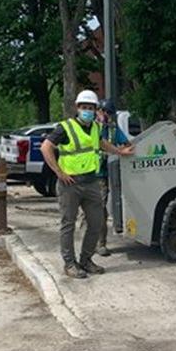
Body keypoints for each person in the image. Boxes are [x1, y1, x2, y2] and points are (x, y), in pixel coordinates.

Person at [41, 90, 135, 279]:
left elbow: (101, 144)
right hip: (70, 184)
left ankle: (86, 260)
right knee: (68, 224)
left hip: (91, 181)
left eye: (91, 108)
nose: (88, 111)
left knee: (96, 222)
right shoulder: (65, 127)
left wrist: (119, 151)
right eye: (84, 108)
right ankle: (70, 264)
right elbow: (46, 147)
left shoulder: (95, 127)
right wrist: (59, 172)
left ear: (95, 109)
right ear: (77, 108)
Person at [95, 99, 130, 257]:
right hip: (87, 174)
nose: (107, 116)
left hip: (103, 175)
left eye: (109, 113)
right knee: (89, 210)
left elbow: (125, 144)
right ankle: (90, 242)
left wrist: (122, 149)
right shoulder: (91, 129)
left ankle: (100, 243)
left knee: (100, 209)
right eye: (104, 112)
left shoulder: (113, 130)